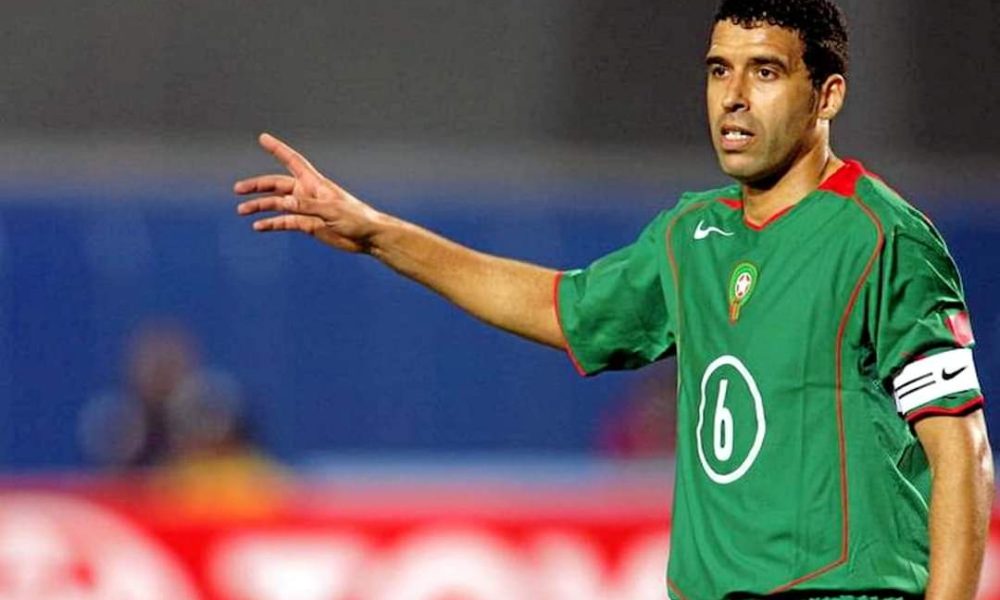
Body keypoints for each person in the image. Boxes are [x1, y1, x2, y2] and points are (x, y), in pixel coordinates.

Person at [233, 0, 993, 596]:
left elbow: (961, 455)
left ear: (826, 95)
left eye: (764, 72)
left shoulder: (882, 236)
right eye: (718, 71)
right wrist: (377, 234)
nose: (733, 98)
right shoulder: (691, 235)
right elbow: (557, 307)